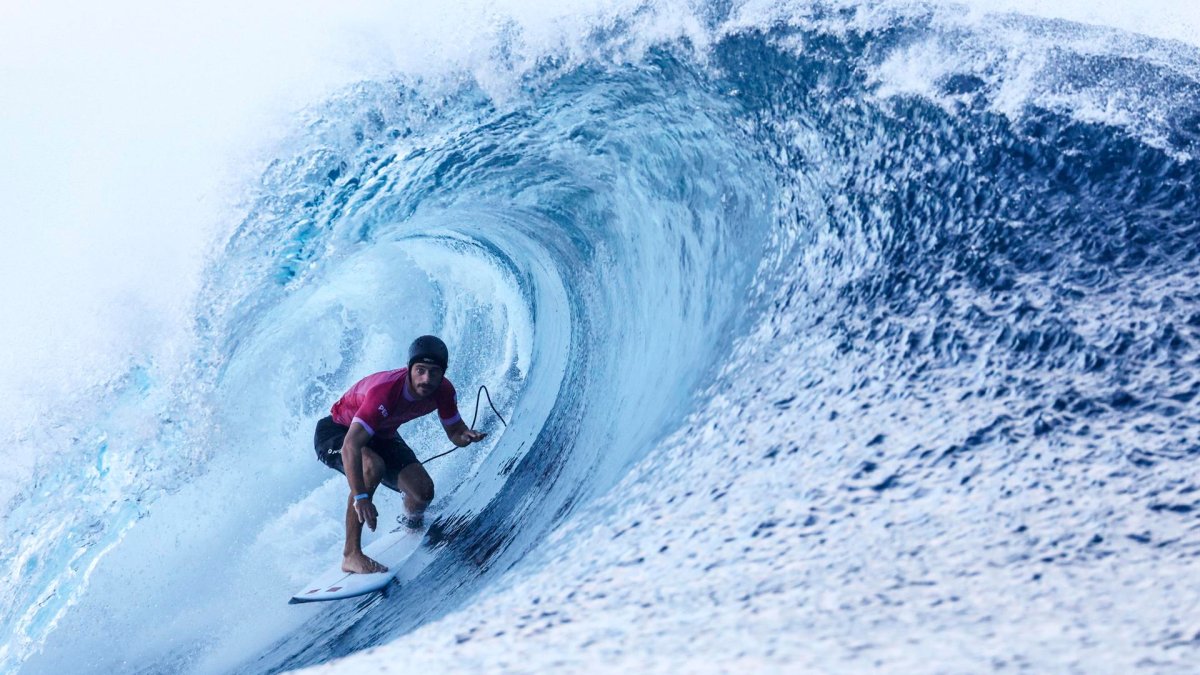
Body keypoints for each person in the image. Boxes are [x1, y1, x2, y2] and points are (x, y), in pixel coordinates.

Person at [313, 335, 486, 574]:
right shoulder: (385, 393)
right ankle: (351, 554)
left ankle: (411, 524)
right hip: (337, 432)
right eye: (420, 370)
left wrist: (466, 436)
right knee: (372, 466)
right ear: (409, 369)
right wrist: (361, 498)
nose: (426, 379)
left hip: (380, 434)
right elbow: (351, 446)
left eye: (434, 372)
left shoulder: (444, 391)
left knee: (423, 492)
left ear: (443, 373)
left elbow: (455, 432)